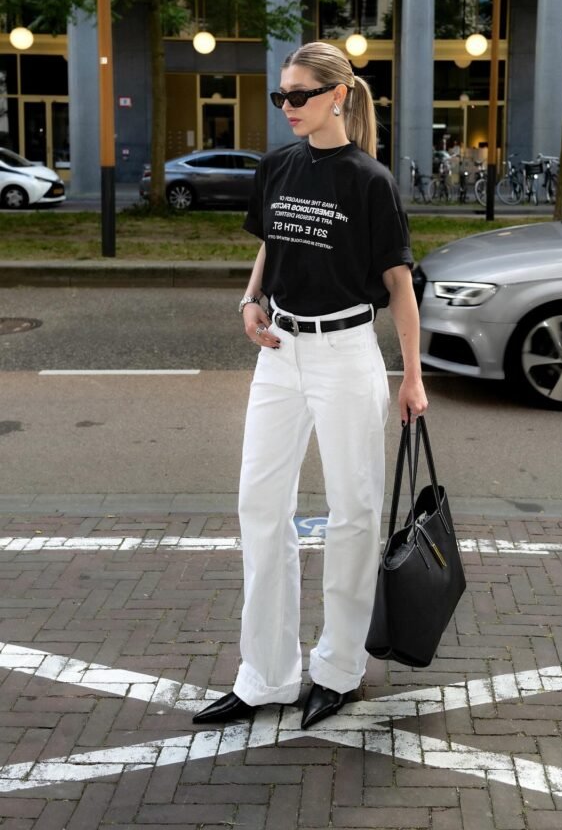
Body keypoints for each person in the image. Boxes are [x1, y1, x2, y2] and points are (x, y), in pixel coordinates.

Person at [193, 41, 428, 731]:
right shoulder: (277, 166)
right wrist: (250, 300)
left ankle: (337, 669)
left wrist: (412, 377)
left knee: (353, 512)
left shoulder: (370, 181)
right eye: (281, 96)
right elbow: (270, 244)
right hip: (280, 352)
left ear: (337, 96)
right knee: (260, 505)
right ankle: (264, 676)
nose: (288, 107)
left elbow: (399, 285)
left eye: (299, 95)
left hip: (347, 354)